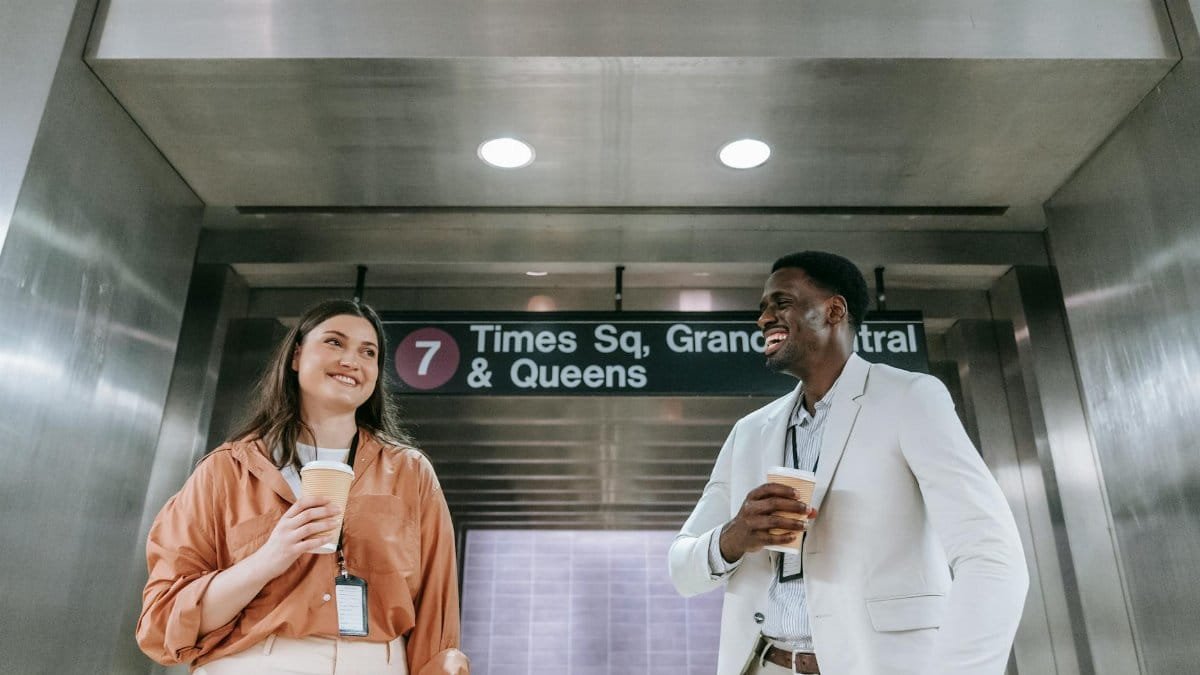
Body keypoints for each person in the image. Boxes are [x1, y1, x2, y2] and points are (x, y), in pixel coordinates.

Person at [668, 251, 1028, 675]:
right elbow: (682, 570)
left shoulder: (909, 398)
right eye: (762, 308)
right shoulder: (749, 432)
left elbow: (991, 557)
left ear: (833, 310)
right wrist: (734, 536)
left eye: (780, 303)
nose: (763, 319)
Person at [137, 299, 469, 675]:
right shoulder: (225, 471)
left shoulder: (410, 473)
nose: (351, 360)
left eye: (368, 351)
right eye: (334, 342)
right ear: (296, 356)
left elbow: (437, 620)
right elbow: (162, 621)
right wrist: (267, 559)